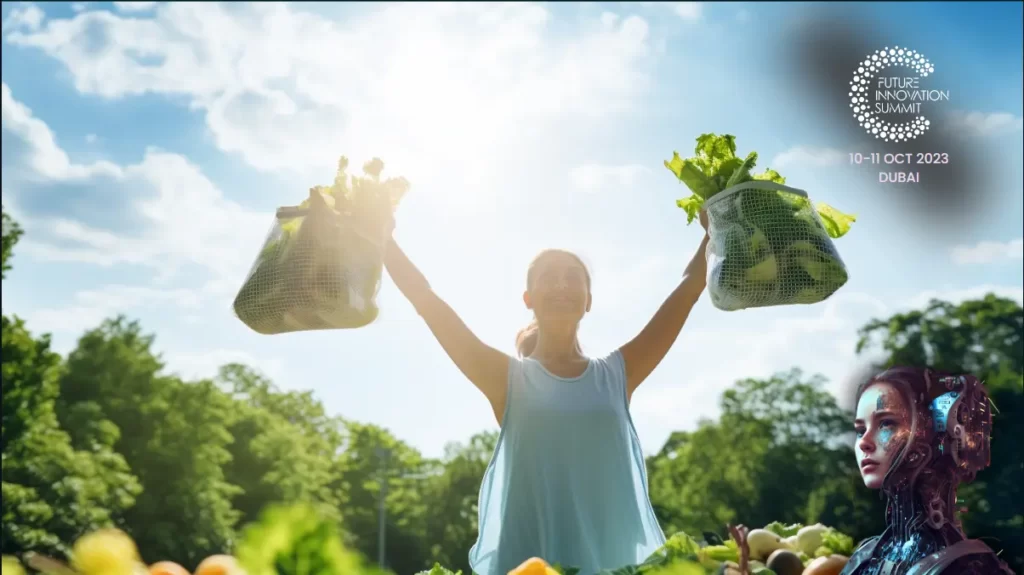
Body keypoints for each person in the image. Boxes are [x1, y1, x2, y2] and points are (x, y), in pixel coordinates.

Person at [382, 211, 711, 574]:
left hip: (610, 560)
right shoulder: (505, 378)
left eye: (573, 278)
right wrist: (384, 239)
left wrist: (714, 230)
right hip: (525, 560)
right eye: (548, 278)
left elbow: (687, 291)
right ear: (528, 298)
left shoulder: (618, 374)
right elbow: (426, 301)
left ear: (588, 300)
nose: (561, 286)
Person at [842, 367, 1014, 575]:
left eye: (886, 423)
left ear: (932, 433)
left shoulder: (968, 567)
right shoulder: (866, 556)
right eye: (860, 430)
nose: (864, 443)